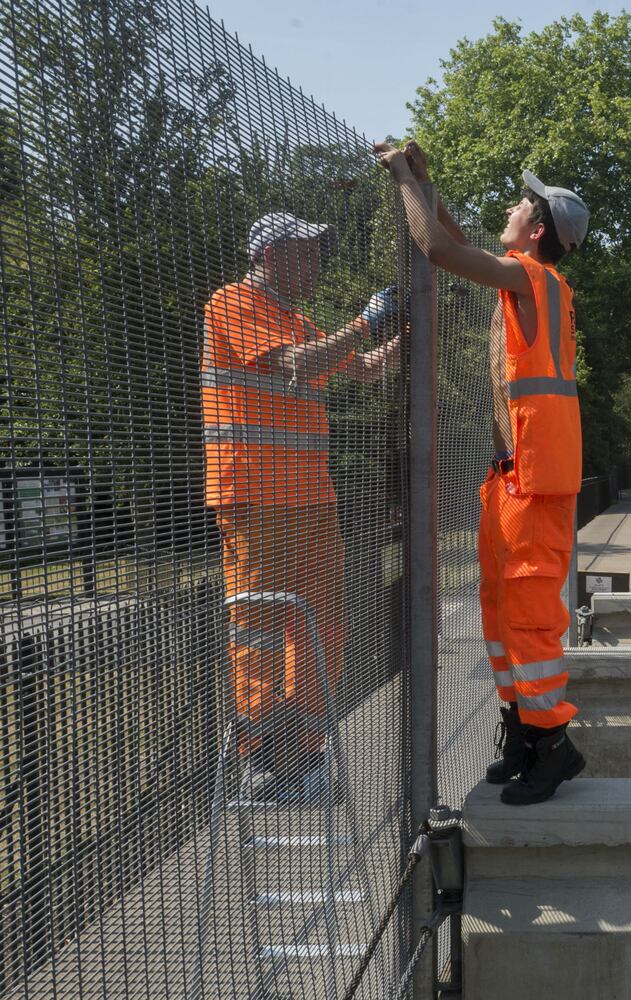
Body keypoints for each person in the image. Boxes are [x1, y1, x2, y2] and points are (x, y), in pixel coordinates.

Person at [376, 139, 589, 805]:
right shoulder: (523, 277)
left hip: (532, 483)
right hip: (513, 480)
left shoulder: (533, 279)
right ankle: (522, 730)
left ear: (536, 228)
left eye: (520, 203)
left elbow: (438, 252)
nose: (509, 205)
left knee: (526, 621)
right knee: (498, 615)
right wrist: (428, 187)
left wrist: (403, 181)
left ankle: (553, 746)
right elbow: (457, 241)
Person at [202, 212, 400, 801]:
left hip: (310, 500)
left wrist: (401, 338)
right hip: (255, 498)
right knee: (258, 628)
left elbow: (362, 370)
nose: (317, 264)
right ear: (270, 255)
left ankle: (305, 751)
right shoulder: (231, 303)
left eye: (318, 252)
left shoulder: (300, 320)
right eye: (307, 253)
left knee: (323, 627)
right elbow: (294, 366)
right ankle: (262, 758)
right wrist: (366, 319)